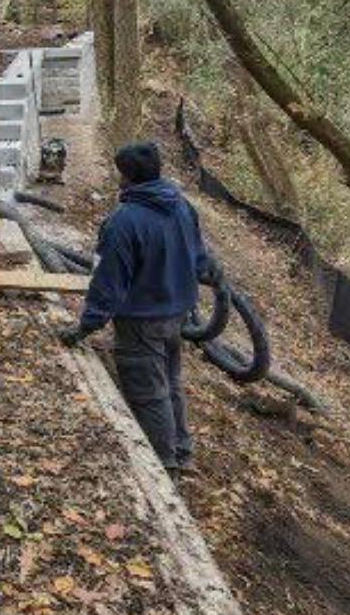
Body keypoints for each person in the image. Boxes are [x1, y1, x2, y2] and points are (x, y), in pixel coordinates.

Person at [56, 141, 215, 480]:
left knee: (148, 393)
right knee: (170, 382)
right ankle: (182, 452)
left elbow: (107, 282)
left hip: (142, 320)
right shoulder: (182, 206)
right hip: (177, 314)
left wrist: (85, 326)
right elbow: (200, 259)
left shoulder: (124, 221)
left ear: (127, 176)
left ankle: (164, 467)